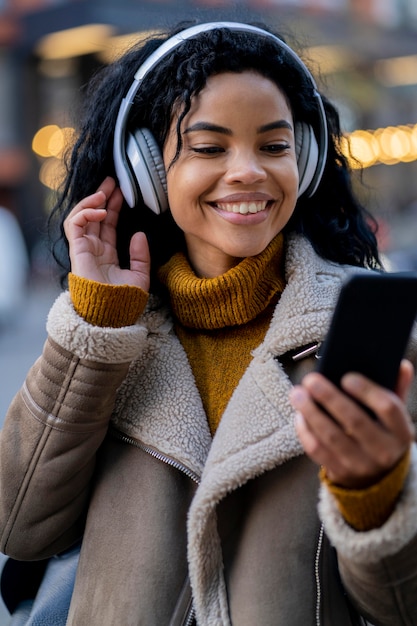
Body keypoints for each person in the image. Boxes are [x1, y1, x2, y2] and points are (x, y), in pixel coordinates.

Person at [0, 19, 416, 626]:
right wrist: (95, 335)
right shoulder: (110, 337)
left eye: (273, 146)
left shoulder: (370, 338)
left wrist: (375, 495)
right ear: (145, 168)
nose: (248, 171)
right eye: (208, 146)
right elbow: (19, 528)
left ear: (305, 158)